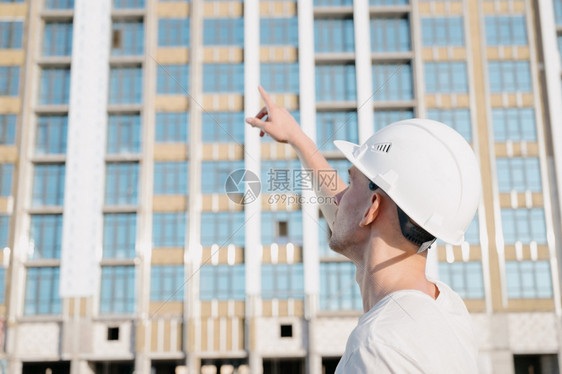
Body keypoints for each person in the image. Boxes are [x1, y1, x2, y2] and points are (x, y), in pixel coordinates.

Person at [246, 86, 481, 373]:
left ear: (372, 208)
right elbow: (356, 219)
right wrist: (298, 139)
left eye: (351, 183)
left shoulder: (376, 348)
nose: (337, 198)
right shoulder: (447, 308)